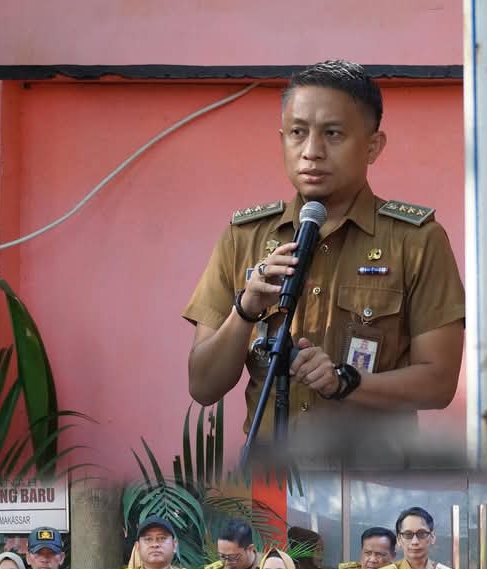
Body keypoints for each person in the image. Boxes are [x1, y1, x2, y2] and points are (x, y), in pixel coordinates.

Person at [183, 59, 465, 460]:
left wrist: (346, 382)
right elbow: (203, 386)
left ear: (372, 146)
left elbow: (439, 384)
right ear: (283, 139)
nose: (311, 152)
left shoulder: (417, 240)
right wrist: (245, 310)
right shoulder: (244, 238)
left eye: (332, 134)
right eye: (298, 133)